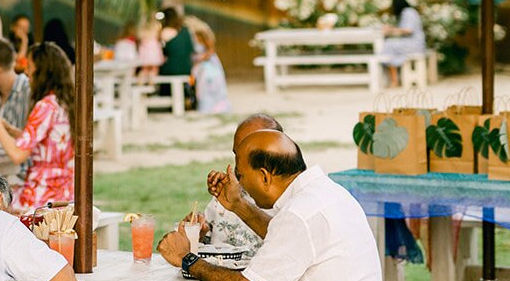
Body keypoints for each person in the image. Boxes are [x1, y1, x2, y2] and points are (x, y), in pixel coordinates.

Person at [159, 130, 381, 281]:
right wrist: (238, 204)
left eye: (240, 175)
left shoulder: (300, 214)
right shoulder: (326, 192)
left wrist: (187, 259)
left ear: (264, 177)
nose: (240, 184)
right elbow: (285, 236)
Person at [0, 42, 73, 210]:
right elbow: (45, 143)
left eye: (29, 66)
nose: (26, 71)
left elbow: (17, 155)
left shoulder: (45, 106)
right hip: (64, 192)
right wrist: (9, 129)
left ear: (42, 70)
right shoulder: (62, 103)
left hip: (42, 195)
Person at [180, 114, 282, 256]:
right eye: (236, 155)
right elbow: (205, 245)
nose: (237, 166)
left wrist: (238, 205)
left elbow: (283, 240)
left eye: (246, 156)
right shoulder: (230, 190)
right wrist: (199, 233)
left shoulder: (291, 200)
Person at [187, 17, 231, 114]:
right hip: (198, 65)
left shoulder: (202, 34)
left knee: (209, 83)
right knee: (195, 83)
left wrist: (201, 59)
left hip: (208, 64)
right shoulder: (190, 37)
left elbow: (211, 50)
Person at [381, 0, 426, 88]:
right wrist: (392, 29)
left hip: (414, 44)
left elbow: (408, 30)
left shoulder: (408, 12)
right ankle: (394, 78)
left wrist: (390, 30)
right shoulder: (409, 12)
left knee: (388, 46)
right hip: (413, 43)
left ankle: (394, 79)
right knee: (389, 46)